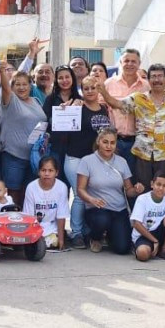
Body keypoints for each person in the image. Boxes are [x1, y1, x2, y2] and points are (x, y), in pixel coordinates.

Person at [95, 64, 165, 185]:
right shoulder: (138, 98)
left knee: (164, 189)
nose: (157, 80)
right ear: (148, 80)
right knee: (142, 189)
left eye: (160, 76)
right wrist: (103, 92)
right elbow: (117, 104)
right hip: (142, 154)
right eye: (153, 76)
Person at [76, 128, 145, 255]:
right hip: (97, 210)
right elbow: (80, 189)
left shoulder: (122, 162)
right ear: (98, 142)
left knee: (122, 248)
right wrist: (91, 199)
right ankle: (95, 237)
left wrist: (136, 190)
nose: (109, 146)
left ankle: (111, 236)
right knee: (102, 219)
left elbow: (128, 190)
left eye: (112, 143)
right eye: (105, 142)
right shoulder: (87, 161)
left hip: (119, 210)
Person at [63, 74, 111, 248]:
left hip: (95, 161)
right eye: (86, 88)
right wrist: (65, 109)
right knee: (80, 195)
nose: (90, 91)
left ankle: (87, 230)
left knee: (93, 196)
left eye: (93, 87)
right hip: (75, 158)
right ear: (81, 91)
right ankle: (76, 233)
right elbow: (62, 122)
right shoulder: (76, 106)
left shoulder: (104, 109)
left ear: (99, 89)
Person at [0, 65, 44, 208]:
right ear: (12, 87)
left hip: (34, 158)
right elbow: (5, 87)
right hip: (13, 156)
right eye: (17, 84)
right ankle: (12, 225)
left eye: (25, 84)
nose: (22, 87)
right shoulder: (10, 100)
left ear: (30, 86)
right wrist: (1, 70)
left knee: (29, 193)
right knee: (13, 194)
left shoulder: (36, 101)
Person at [104, 49, 149, 168]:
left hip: (137, 142)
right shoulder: (108, 84)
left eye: (133, 61)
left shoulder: (146, 86)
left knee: (133, 180)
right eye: (126, 61)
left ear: (139, 64)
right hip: (113, 141)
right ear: (120, 62)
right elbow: (100, 107)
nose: (129, 64)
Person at [130, 173, 165, 262]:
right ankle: (140, 248)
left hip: (162, 232)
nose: (161, 188)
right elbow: (136, 224)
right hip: (145, 234)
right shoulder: (142, 199)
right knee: (143, 254)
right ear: (152, 184)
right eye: (158, 184)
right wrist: (154, 241)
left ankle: (164, 249)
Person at [23, 156, 69, 251]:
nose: (47, 174)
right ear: (39, 172)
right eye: (43, 170)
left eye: (50, 170)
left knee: (54, 242)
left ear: (56, 172)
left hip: (53, 227)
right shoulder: (31, 187)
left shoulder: (62, 187)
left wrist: (61, 240)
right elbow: (29, 216)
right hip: (36, 226)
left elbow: (61, 216)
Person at [43, 65, 82, 170]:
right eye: (60, 78)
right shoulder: (50, 99)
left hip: (75, 148)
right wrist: (59, 114)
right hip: (55, 147)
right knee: (56, 176)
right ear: (56, 80)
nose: (64, 80)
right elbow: (45, 121)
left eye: (67, 77)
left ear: (72, 78)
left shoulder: (80, 100)